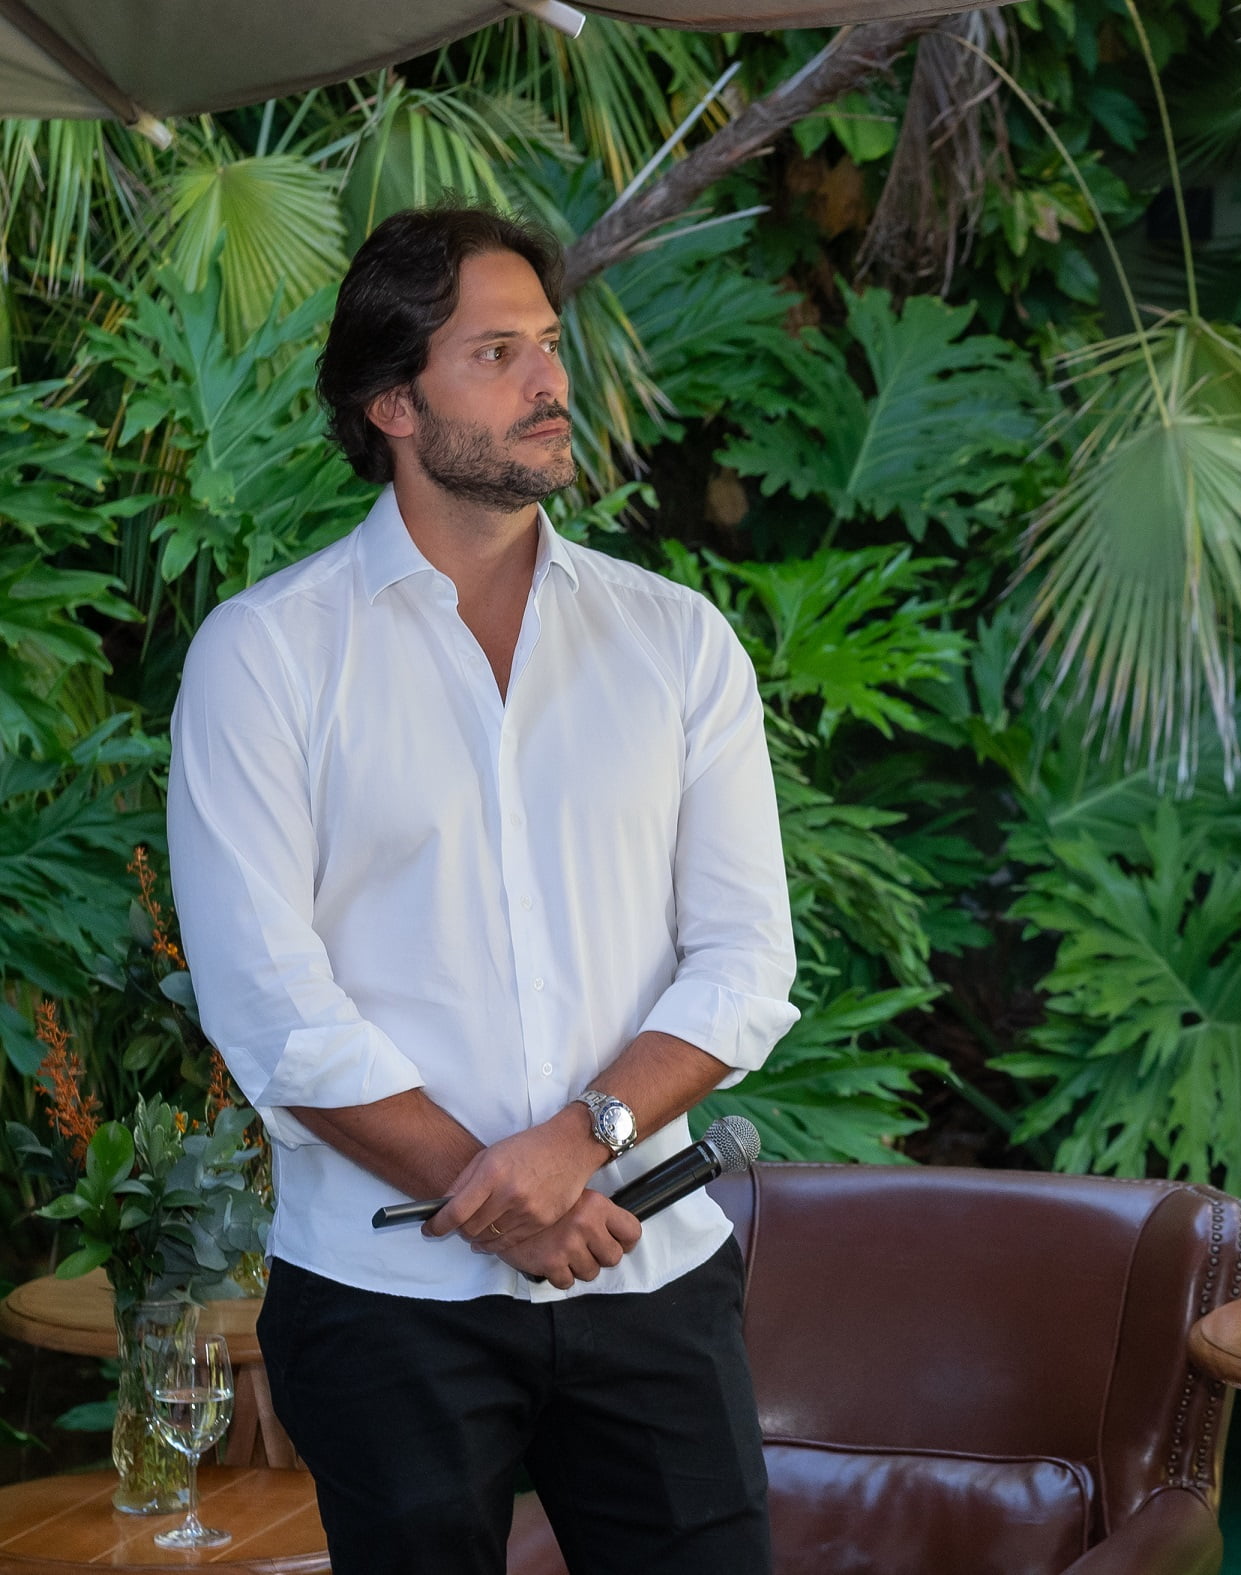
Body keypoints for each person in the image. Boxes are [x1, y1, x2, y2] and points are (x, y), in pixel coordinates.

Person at [167, 206, 791, 1575]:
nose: (550, 385)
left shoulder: (675, 642)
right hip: (386, 1302)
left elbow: (744, 960)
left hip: (651, 1282)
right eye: (494, 354)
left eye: (549, 348)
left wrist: (581, 1138)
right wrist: (495, 1191)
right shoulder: (265, 657)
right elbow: (274, 1009)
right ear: (391, 400)